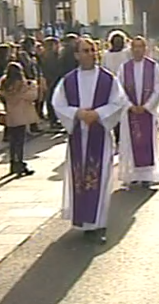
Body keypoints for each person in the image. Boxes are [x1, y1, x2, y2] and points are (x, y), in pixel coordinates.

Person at [51, 38, 126, 243]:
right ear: (76, 55)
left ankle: (98, 223)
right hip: (78, 135)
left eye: (93, 50)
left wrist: (98, 114)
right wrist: (77, 113)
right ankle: (82, 220)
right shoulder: (68, 81)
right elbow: (58, 104)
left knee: (99, 177)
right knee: (80, 177)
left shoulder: (107, 79)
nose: (91, 54)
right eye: (85, 50)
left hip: (99, 135)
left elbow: (119, 102)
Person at [117, 36, 159, 188]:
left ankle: (147, 176)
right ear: (131, 49)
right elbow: (119, 90)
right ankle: (133, 175)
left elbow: (158, 88)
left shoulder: (153, 66)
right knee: (131, 143)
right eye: (135, 47)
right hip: (130, 112)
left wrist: (147, 106)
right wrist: (130, 105)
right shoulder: (124, 68)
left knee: (146, 143)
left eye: (140, 47)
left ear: (145, 49)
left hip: (147, 112)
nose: (137, 50)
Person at [0, 62, 39, 177]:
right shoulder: (23, 84)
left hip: (10, 113)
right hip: (21, 114)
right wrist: (33, 86)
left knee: (13, 141)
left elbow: (1, 95)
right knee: (20, 141)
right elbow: (32, 96)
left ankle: (13, 163)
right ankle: (20, 163)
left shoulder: (4, 83)